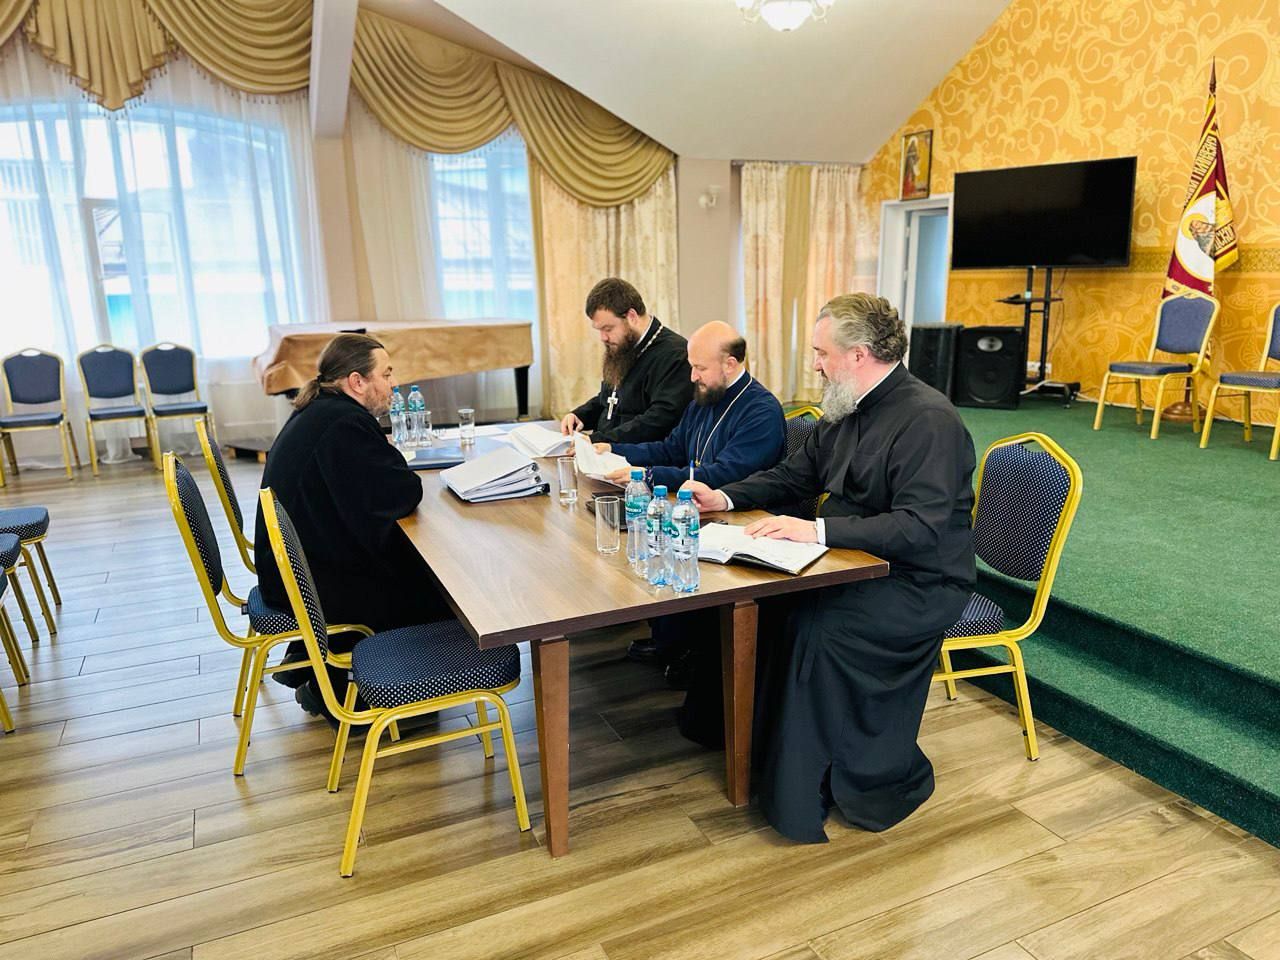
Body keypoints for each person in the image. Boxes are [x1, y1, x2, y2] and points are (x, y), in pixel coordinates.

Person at [684, 293, 977, 843]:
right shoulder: (845, 407)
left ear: (859, 354)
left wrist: (816, 531)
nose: (816, 365)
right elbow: (795, 475)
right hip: (848, 560)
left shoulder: (929, 420)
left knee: (817, 630)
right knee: (762, 605)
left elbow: (918, 527)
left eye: (822, 353)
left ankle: (819, 787)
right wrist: (723, 497)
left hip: (916, 580)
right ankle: (752, 752)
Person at [253, 334, 449, 716]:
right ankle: (358, 693)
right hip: (313, 584)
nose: (394, 384)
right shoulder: (344, 423)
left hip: (295, 569)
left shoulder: (321, 409)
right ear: (357, 381)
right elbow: (402, 491)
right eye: (386, 374)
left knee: (410, 562)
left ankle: (321, 672)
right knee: (436, 581)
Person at [592, 320, 786, 674]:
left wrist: (649, 476)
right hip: (697, 509)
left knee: (664, 540)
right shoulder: (704, 398)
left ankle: (691, 652)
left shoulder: (761, 411)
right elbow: (672, 448)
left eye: (700, 368)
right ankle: (671, 641)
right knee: (640, 537)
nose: (692, 376)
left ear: (730, 364)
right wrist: (615, 450)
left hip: (740, 519)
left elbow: (723, 475)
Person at [559, 277, 693, 444]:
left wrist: (599, 441)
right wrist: (580, 415)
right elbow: (610, 399)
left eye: (608, 329)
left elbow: (660, 419)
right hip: (605, 451)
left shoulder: (675, 354)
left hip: (638, 455)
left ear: (632, 316)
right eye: (599, 330)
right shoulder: (625, 347)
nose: (603, 338)